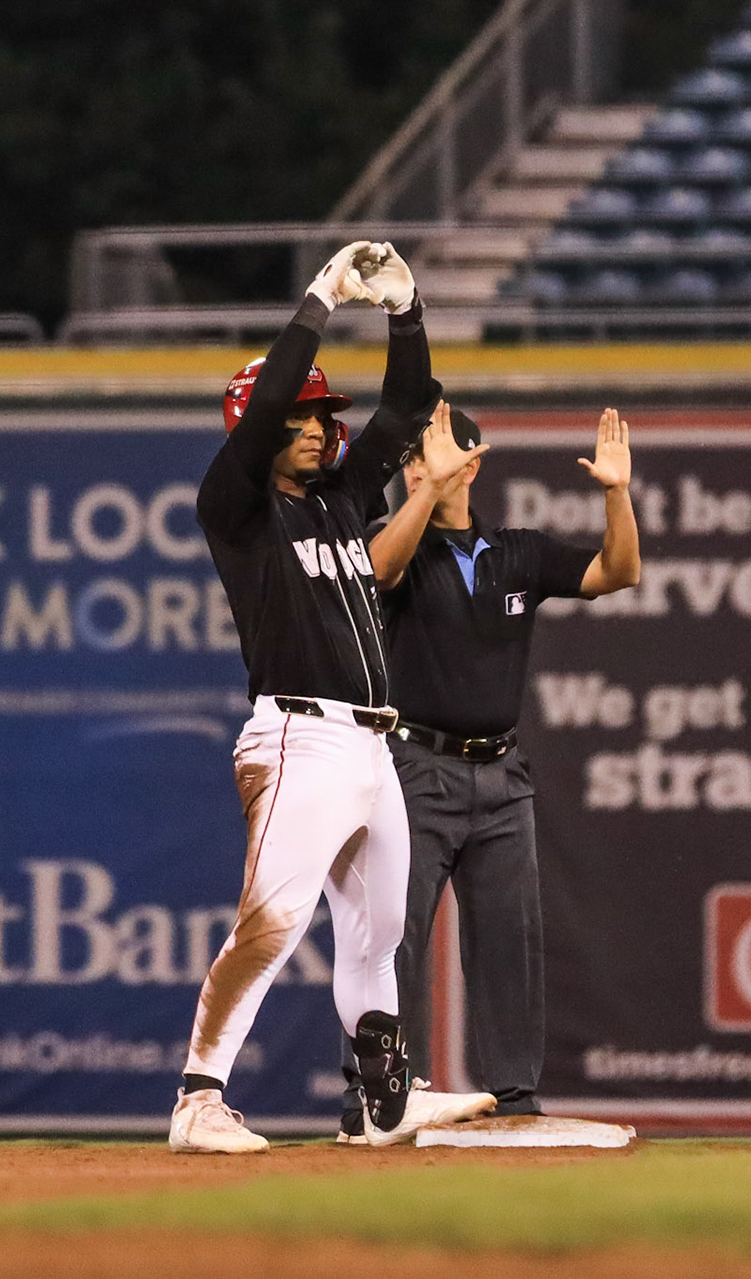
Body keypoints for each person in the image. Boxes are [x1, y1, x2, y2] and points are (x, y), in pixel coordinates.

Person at [170, 241, 498, 1153]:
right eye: (306, 416)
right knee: (272, 923)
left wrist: (407, 312)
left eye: (324, 416)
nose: (320, 428)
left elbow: (403, 409)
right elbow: (269, 401)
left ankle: (384, 1102)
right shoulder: (236, 504)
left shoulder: (341, 499)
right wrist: (317, 300)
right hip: (296, 735)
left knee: (378, 932)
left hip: (369, 744)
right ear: (264, 427)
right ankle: (199, 1098)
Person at [337, 402, 641, 1142]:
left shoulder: (516, 552)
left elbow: (619, 571)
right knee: (391, 936)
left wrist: (616, 494)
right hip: (414, 766)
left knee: (510, 940)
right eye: (413, 452)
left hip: (501, 775)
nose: (421, 460)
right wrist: (417, 493)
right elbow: (380, 570)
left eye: (436, 448)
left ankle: (513, 1095)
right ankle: (376, 1095)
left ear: (472, 464)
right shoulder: (395, 539)